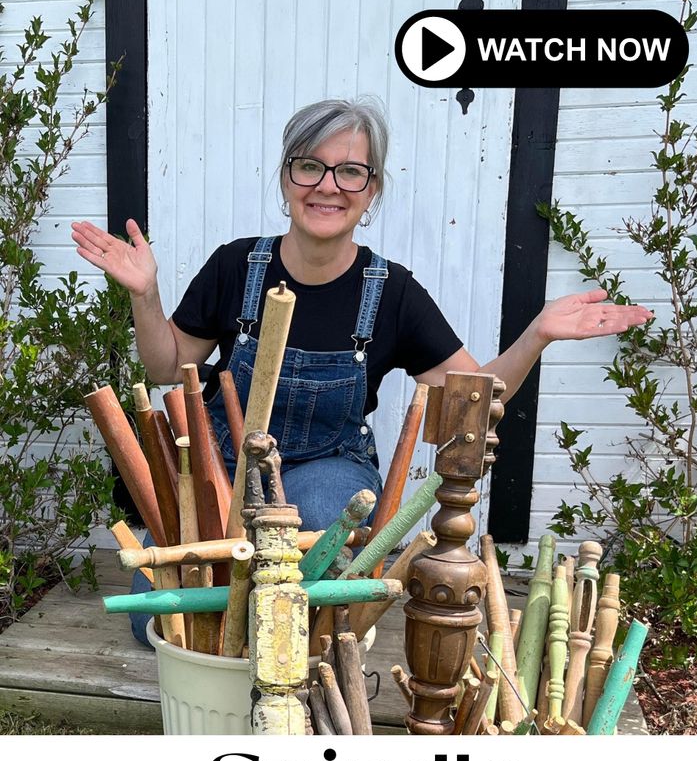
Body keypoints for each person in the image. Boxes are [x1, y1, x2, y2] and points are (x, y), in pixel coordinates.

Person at [72, 97, 652, 644]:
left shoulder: (392, 292)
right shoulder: (236, 265)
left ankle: (275, 641)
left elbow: (472, 396)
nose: (328, 185)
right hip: (223, 463)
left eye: (351, 171)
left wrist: (537, 334)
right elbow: (171, 366)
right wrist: (145, 295)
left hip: (327, 469)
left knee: (321, 539)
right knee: (154, 622)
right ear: (286, 178)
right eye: (310, 167)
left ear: (371, 191)